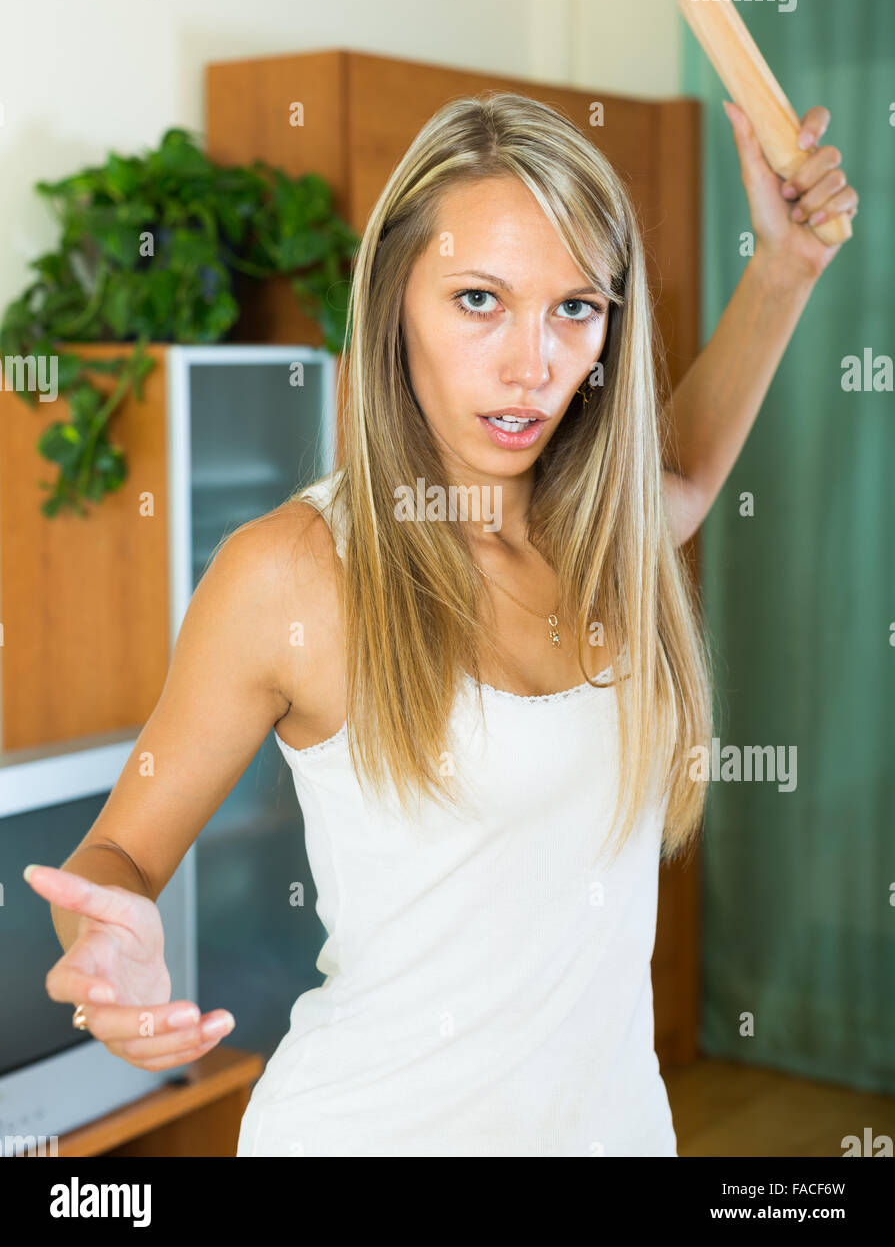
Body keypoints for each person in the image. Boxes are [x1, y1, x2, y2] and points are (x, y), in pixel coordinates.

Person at [25, 92, 857, 1156]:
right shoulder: (293, 573)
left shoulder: (605, 535)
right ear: (393, 303)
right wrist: (107, 940)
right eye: (477, 300)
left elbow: (683, 472)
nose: (532, 365)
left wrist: (785, 262)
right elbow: (116, 854)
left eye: (575, 307)